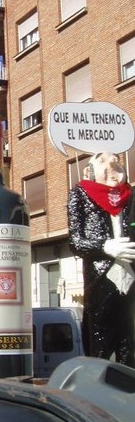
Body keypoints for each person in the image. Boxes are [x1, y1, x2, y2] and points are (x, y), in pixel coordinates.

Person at [68, 151, 135, 367]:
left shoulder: (130, 196)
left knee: (129, 347)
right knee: (99, 348)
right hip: (101, 280)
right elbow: (76, 242)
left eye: (115, 163)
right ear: (89, 171)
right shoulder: (80, 194)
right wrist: (105, 246)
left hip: (131, 280)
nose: (111, 166)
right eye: (103, 163)